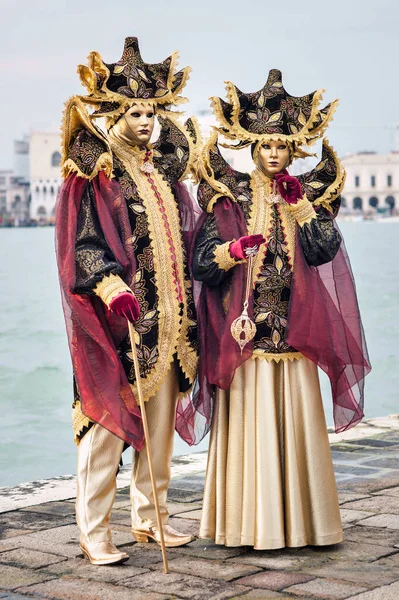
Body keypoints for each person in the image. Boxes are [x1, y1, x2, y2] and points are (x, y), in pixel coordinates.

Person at [192, 69, 371, 550]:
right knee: (249, 427)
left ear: (294, 152)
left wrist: (303, 208)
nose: (274, 154)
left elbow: (324, 250)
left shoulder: (304, 196)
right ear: (253, 149)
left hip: (294, 337)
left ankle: (302, 525)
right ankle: (246, 525)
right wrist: (233, 251)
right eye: (266, 146)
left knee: (294, 425)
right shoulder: (232, 197)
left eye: (282, 147)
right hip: (246, 338)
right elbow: (202, 264)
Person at [56, 37, 204, 565]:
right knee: (106, 433)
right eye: (134, 111)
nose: (146, 121)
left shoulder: (159, 170)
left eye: (151, 111)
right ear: (116, 113)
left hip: (168, 321)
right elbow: (86, 243)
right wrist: (112, 288)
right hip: (119, 325)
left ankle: (152, 517)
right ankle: (94, 530)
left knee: (158, 428)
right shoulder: (100, 173)